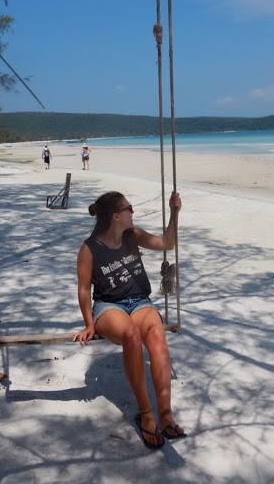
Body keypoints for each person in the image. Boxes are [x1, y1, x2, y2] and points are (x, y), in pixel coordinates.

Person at [73, 191, 186, 450]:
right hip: (108, 306)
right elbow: (83, 289)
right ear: (115, 216)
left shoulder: (132, 235)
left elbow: (168, 243)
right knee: (132, 336)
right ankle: (146, 413)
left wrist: (174, 212)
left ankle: (165, 413)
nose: (132, 212)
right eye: (129, 208)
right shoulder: (89, 249)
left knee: (156, 334)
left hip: (139, 302)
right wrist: (89, 324)